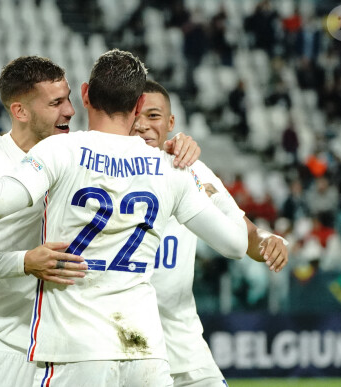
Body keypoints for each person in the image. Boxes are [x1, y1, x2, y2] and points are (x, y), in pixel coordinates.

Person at [0, 49, 249, 386]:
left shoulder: (67, 152)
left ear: (86, 94)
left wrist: (176, 151)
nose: (69, 111)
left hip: (73, 347)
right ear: (20, 110)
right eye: (56, 103)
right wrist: (24, 262)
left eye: (69, 98)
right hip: (12, 348)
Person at [131, 79, 288, 386]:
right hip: (128, 351)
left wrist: (268, 239)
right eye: (135, 116)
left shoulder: (193, 170)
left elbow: (246, 236)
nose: (143, 125)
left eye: (153, 115)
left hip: (187, 352)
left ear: (171, 122)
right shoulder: (101, 171)